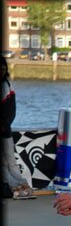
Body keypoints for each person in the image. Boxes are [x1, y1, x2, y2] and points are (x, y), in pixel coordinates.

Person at [1, 54, 33, 198]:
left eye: (3, 69)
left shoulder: (6, 85)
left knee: (10, 162)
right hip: (5, 130)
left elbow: (11, 110)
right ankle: (17, 186)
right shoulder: (7, 85)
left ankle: (20, 185)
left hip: (5, 131)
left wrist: (4, 125)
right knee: (7, 163)